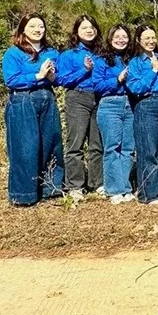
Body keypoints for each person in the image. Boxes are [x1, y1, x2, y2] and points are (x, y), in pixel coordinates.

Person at [1, 13, 64, 205]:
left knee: (51, 143)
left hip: (47, 98)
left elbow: (59, 79)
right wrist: (39, 75)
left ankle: (50, 188)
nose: (38, 30)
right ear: (23, 30)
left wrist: (52, 77)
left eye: (41, 26)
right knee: (25, 147)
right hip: (22, 100)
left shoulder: (51, 52)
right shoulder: (13, 53)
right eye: (32, 26)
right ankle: (23, 194)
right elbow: (11, 80)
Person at [56, 15, 103, 201]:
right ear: (76, 31)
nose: (89, 31)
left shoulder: (101, 53)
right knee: (75, 143)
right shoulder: (69, 55)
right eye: (84, 28)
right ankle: (75, 186)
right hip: (78, 97)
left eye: (92, 27)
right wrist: (84, 70)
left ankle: (97, 183)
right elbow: (62, 80)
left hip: (99, 98)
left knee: (97, 144)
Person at [127, 24, 158, 205]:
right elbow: (136, 87)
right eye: (147, 38)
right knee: (148, 150)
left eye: (153, 37)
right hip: (145, 104)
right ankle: (148, 194)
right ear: (138, 40)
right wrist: (154, 71)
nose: (151, 41)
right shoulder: (136, 63)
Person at [92, 24, 136, 205]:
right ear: (110, 39)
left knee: (128, 148)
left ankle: (125, 187)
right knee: (112, 147)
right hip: (110, 104)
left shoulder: (132, 59)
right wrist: (117, 80)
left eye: (124, 37)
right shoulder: (101, 60)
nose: (121, 40)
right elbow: (97, 85)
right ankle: (114, 189)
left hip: (130, 104)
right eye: (117, 37)